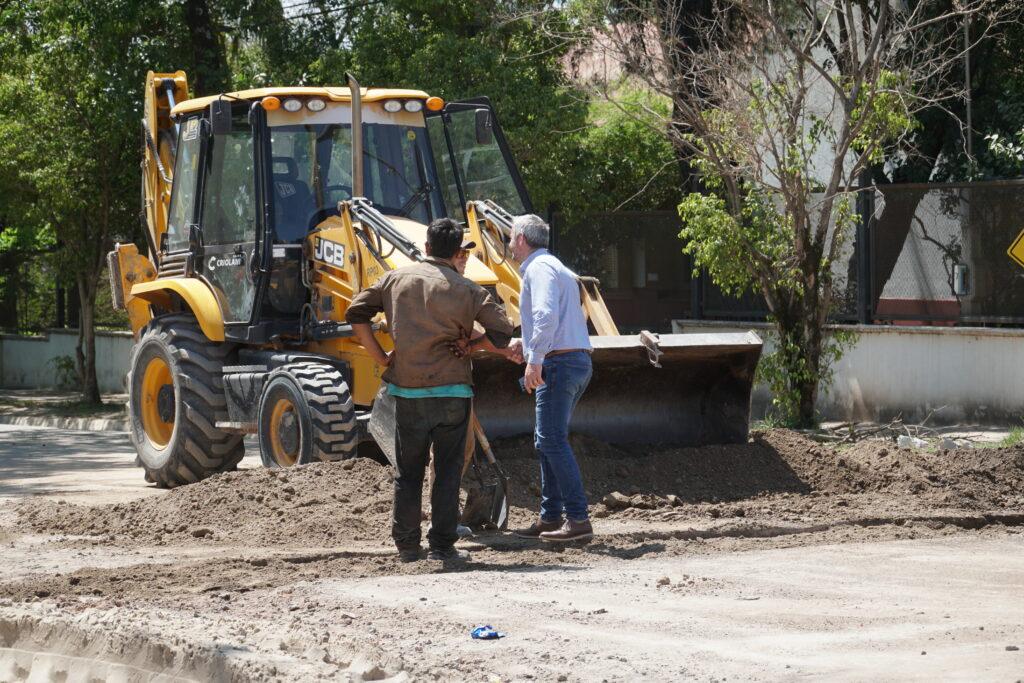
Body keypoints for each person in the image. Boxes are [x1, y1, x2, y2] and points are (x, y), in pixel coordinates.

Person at [346, 219, 514, 563]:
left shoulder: (394, 279)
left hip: (408, 391)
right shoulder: (468, 289)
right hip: (453, 393)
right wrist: (471, 345)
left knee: (408, 473)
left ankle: (408, 546)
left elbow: (356, 312)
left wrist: (381, 357)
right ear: (457, 252)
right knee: (448, 473)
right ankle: (442, 546)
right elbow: (503, 332)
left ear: (426, 247)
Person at [508, 214, 594, 542]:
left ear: (521, 239)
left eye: (510, 237)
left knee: (551, 440)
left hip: (559, 364)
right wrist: (529, 345)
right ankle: (551, 517)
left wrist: (535, 360)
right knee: (546, 439)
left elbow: (544, 315)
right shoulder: (557, 267)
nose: (509, 243)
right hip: (573, 361)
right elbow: (555, 319)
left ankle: (578, 519)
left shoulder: (538, 268)